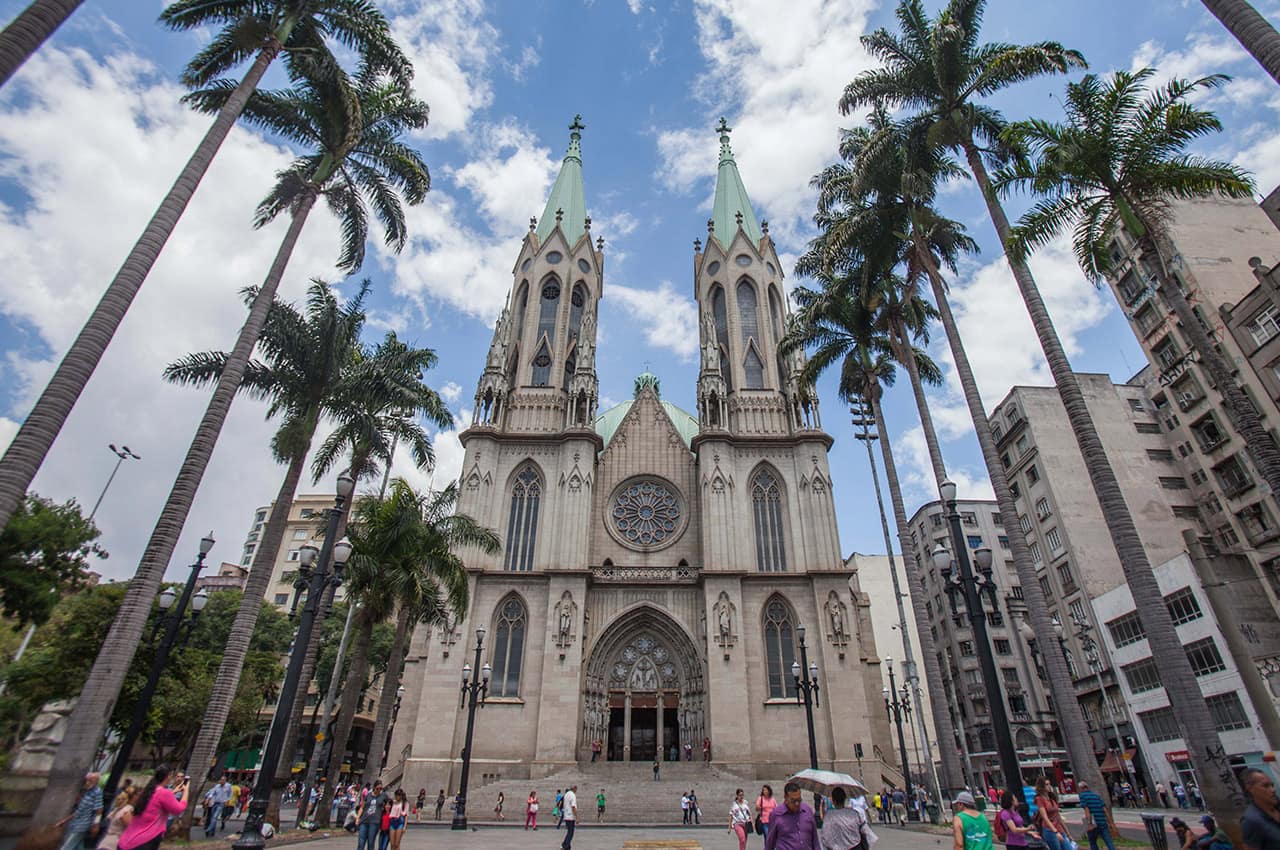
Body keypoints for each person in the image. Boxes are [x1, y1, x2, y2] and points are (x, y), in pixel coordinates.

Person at [118, 768, 188, 850]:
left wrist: (174, 791)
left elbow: (159, 799)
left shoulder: (148, 790)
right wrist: (186, 790)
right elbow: (179, 809)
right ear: (168, 776)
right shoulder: (165, 793)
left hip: (126, 840)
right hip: (146, 840)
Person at [763, 781, 820, 850]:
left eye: (799, 800)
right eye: (793, 801)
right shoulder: (776, 814)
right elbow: (770, 844)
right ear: (785, 797)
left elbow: (815, 840)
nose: (797, 804)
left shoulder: (807, 811)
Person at [56, 772, 102, 850]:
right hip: (76, 823)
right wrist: (64, 820)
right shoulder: (87, 792)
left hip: (82, 825)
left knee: (67, 847)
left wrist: (96, 825)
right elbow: (79, 810)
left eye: (90, 781)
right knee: (78, 846)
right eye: (87, 781)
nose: (87, 783)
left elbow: (99, 810)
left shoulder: (97, 792)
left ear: (96, 781)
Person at [1241, 767, 1280, 850]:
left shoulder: (1277, 806)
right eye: (1266, 786)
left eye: (1272, 785)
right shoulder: (1251, 821)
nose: (1273, 790)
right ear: (1250, 788)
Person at [1078, 780, 1117, 850]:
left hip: (1094, 822)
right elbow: (1104, 810)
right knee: (1108, 841)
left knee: (1092, 841)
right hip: (1102, 821)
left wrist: (1089, 823)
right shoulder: (1096, 796)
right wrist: (1110, 823)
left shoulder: (1083, 796)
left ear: (1081, 788)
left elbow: (1087, 811)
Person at [1033, 778, 1070, 850]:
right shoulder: (1039, 799)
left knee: (1068, 847)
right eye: (1047, 785)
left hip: (1059, 828)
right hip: (1049, 829)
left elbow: (1058, 816)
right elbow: (1044, 817)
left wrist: (1067, 833)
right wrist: (1055, 832)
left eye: (1049, 784)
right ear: (1042, 787)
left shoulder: (1052, 798)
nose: (1049, 786)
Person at [355, 780, 388, 850]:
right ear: (374, 787)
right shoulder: (368, 795)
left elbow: (389, 804)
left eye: (381, 788)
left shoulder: (383, 796)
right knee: (361, 842)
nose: (379, 790)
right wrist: (358, 818)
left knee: (371, 842)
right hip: (364, 820)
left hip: (375, 822)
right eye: (377, 788)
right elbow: (362, 808)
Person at [560, 784, 578, 850]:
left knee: (569, 831)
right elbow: (573, 807)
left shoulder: (566, 794)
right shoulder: (573, 795)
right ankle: (565, 846)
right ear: (574, 788)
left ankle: (566, 845)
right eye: (576, 789)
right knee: (571, 832)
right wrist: (576, 817)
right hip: (571, 816)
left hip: (566, 815)